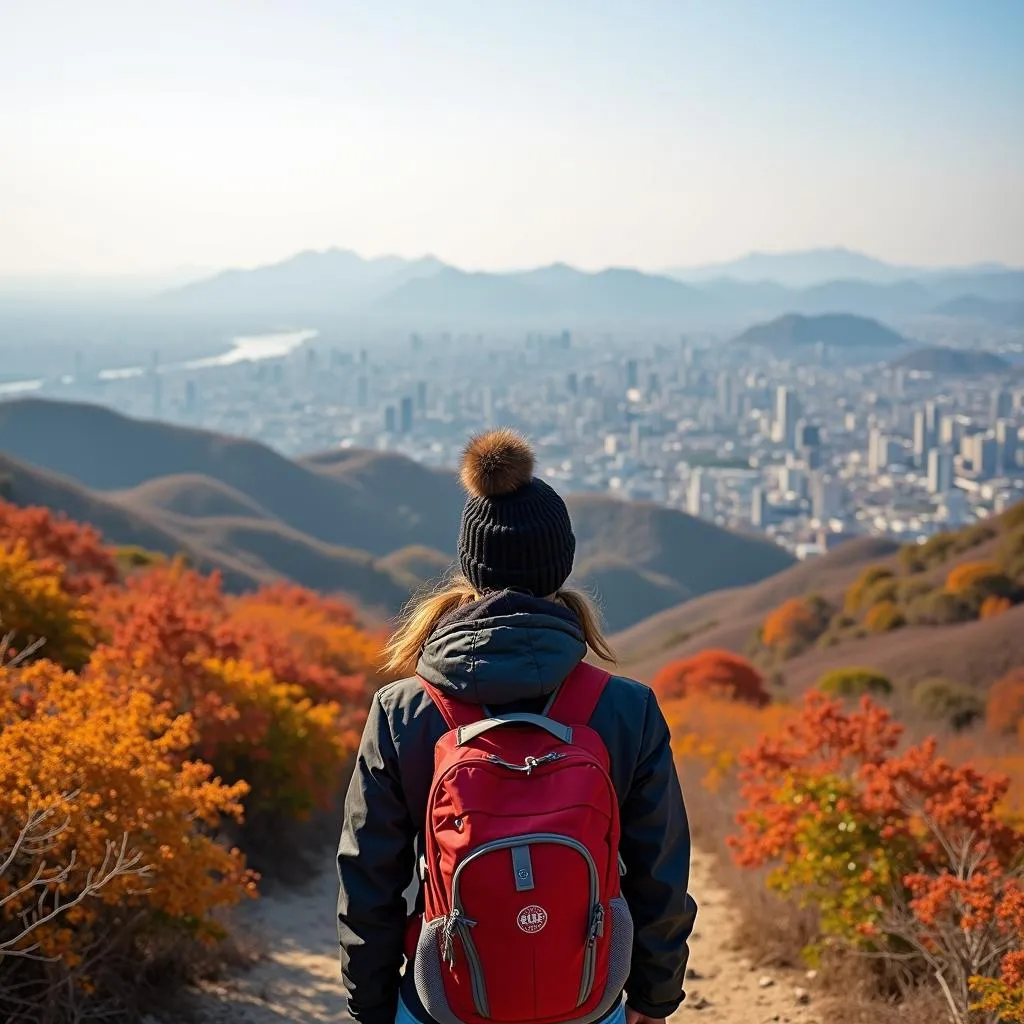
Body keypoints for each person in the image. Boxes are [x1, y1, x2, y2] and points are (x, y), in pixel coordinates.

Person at [338, 428, 697, 1024]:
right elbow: (661, 872)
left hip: (444, 998)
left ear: (470, 566)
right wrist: (654, 1000)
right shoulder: (626, 708)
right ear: (561, 566)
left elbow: (368, 878)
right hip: (587, 998)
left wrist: (371, 1005)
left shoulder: (403, 710)